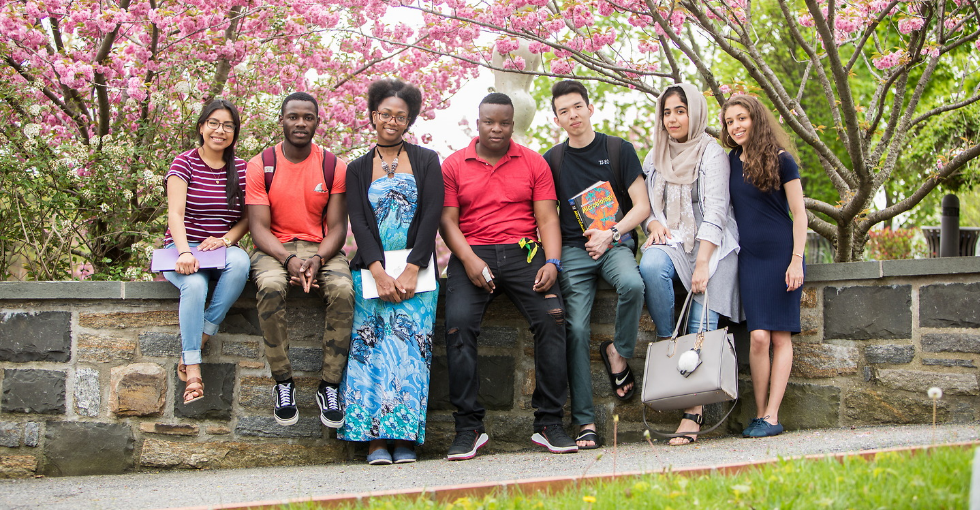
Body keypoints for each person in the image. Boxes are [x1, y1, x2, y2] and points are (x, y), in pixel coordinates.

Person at [440, 92, 577, 460]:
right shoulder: (453, 164)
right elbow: (448, 222)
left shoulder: (533, 163)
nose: (496, 129)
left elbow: (547, 218)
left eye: (503, 123)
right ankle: (468, 428)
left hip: (524, 252)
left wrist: (552, 261)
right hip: (473, 251)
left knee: (553, 319)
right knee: (457, 326)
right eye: (489, 122)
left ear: (512, 124)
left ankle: (549, 423)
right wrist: (468, 260)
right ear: (478, 122)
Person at [339, 79, 443, 465]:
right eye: (385, 114)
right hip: (372, 273)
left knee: (411, 355)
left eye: (401, 116)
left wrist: (414, 267)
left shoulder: (427, 159)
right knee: (369, 354)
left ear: (409, 119)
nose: (392, 121)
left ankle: (404, 440)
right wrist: (380, 273)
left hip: (418, 274)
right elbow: (360, 225)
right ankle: (373, 441)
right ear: (373, 116)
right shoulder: (356, 168)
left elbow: (432, 213)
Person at [543, 80, 649, 450]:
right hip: (573, 251)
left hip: (615, 242)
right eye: (564, 111)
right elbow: (544, 215)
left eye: (577, 107)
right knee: (574, 329)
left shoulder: (619, 149)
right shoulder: (552, 160)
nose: (572, 115)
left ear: (590, 108)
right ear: (556, 119)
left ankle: (618, 351)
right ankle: (584, 422)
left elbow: (642, 206)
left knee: (633, 285)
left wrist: (611, 232)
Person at [638, 83, 741, 445]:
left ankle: (692, 412)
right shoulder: (655, 156)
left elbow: (715, 212)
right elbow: (648, 207)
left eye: (680, 110)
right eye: (667, 112)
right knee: (651, 265)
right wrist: (652, 224)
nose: (672, 119)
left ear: (694, 113)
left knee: (702, 311)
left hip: (712, 245)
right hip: (674, 240)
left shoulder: (712, 154)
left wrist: (702, 263)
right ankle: (669, 342)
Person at [245, 92, 354, 429]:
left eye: (308, 117)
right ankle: (283, 382)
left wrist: (318, 260)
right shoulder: (261, 164)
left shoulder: (333, 166)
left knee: (343, 291)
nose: (301, 123)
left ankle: (329, 386)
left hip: (321, 248)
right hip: (273, 248)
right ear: (282, 120)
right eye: (294, 117)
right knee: (272, 285)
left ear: (317, 122)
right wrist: (288, 259)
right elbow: (258, 229)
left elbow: (338, 227)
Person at [721, 94, 806, 438]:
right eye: (729, 121)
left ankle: (772, 416)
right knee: (758, 337)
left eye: (741, 118)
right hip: (749, 258)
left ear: (756, 119)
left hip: (782, 254)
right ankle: (759, 413)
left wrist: (797, 260)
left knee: (780, 336)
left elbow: (799, 213)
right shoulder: (730, 161)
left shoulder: (783, 161)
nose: (736, 126)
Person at [164, 98, 251, 405]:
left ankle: (200, 336)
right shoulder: (183, 162)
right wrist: (185, 252)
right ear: (201, 127)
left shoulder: (241, 168)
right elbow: (175, 213)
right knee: (196, 285)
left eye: (228, 125)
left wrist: (226, 240)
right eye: (213, 123)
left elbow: (248, 218)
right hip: (182, 245)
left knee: (241, 264)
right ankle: (194, 368)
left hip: (220, 249)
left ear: (234, 133)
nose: (220, 130)